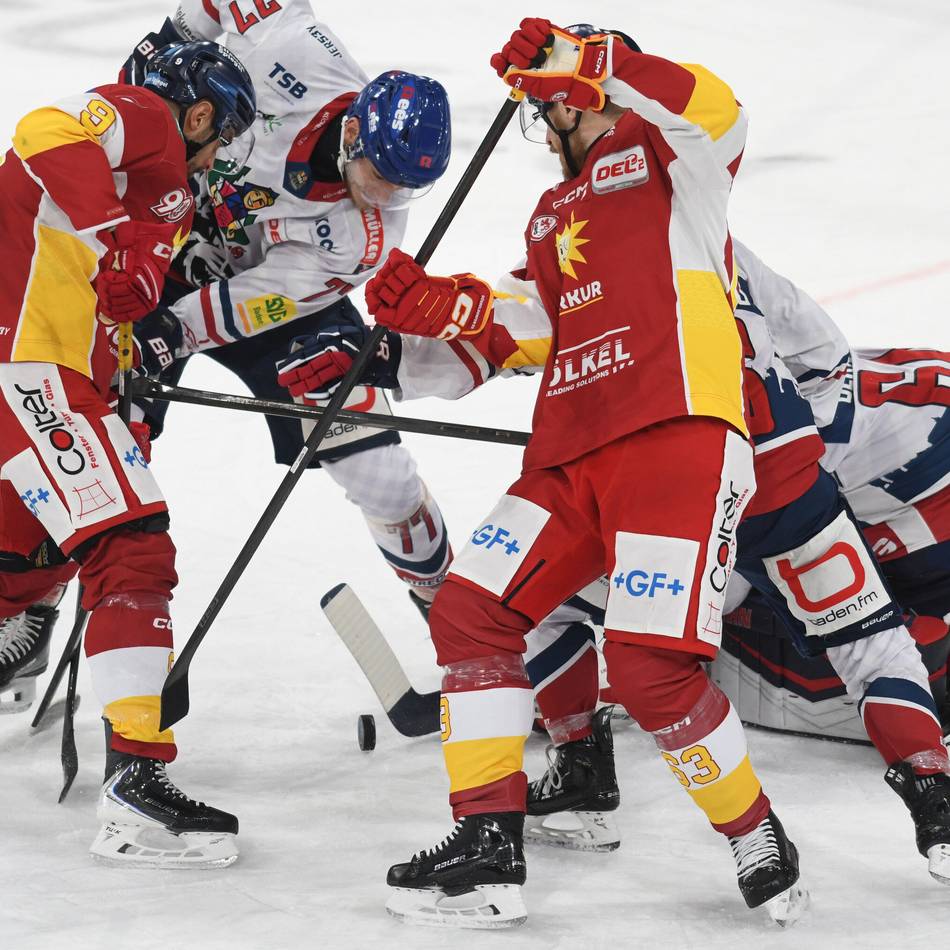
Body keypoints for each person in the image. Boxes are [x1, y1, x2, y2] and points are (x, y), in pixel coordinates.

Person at [282, 19, 807, 928]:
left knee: (651, 670)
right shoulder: (553, 212)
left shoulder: (676, 164)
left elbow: (719, 110)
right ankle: (489, 849)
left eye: (550, 105)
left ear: (581, 94)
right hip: (569, 456)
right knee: (471, 609)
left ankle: (757, 832)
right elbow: (532, 325)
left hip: (676, 438)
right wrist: (440, 312)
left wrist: (593, 59)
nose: (543, 123)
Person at [517, 244, 950, 889]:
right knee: (859, 637)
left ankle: (587, 744)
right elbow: (814, 353)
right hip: (809, 489)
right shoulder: (703, 248)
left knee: (554, 599)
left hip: (787, 489)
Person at [0, 39, 256, 867]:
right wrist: (116, 239)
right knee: (130, 545)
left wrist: (124, 375)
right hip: (26, 369)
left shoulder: (166, 205)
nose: (219, 159)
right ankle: (136, 787)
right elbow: (43, 134)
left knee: (30, 561)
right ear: (200, 112)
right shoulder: (142, 119)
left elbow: (102, 305)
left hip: (52, 374)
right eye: (223, 138)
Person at [121, 0, 454, 617]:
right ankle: (32, 593)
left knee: (380, 474)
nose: (391, 196)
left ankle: (455, 614)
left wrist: (171, 332)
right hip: (163, 242)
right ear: (355, 130)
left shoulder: (364, 238)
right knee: (92, 418)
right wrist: (171, 50)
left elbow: (256, 302)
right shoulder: (300, 47)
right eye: (384, 176)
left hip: (271, 307)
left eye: (407, 186)